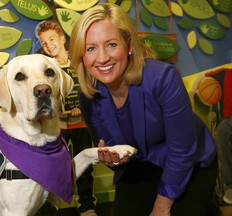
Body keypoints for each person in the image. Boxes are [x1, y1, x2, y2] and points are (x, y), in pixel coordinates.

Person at [69, 3, 219, 216]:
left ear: (128, 44)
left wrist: (161, 208)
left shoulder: (163, 78)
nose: (102, 58)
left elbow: (182, 151)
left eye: (111, 44)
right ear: (81, 56)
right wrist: (113, 159)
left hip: (189, 162)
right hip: (141, 164)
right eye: (90, 48)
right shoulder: (88, 96)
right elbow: (114, 149)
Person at [36, 20, 97, 216]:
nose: (49, 45)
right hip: (56, 126)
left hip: (81, 124)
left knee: (85, 167)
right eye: (44, 43)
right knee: (53, 166)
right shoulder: (43, 67)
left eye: (52, 39)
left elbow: (93, 88)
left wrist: (83, 106)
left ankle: (87, 205)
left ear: (62, 38)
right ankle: (49, 206)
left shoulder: (81, 61)